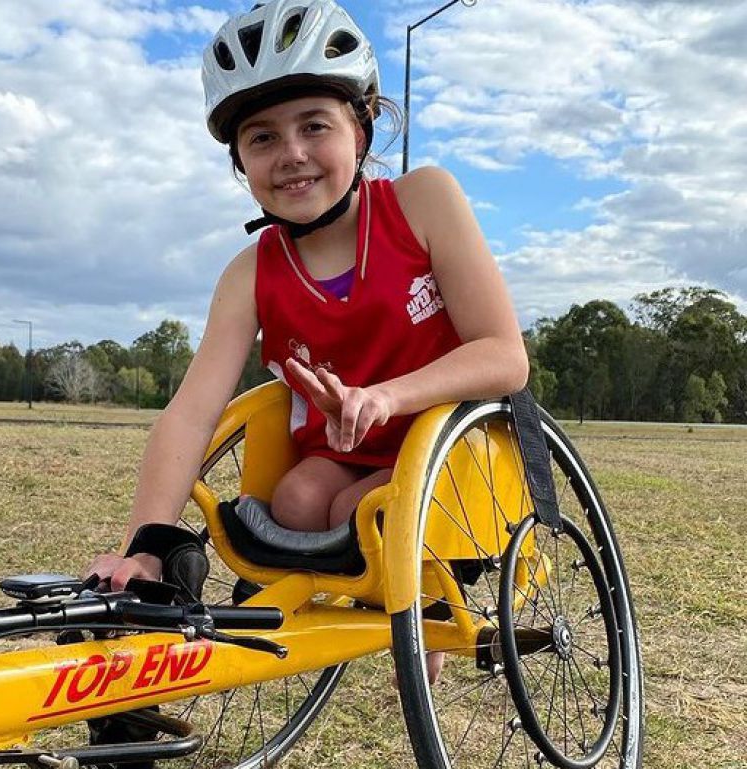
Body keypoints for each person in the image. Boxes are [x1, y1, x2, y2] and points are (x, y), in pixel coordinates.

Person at [86, 0, 528, 626]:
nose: (291, 153)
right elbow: (190, 414)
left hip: (448, 446)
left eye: (314, 126)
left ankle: (421, 617)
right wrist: (147, 543)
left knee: (366, 503)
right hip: (339, 452)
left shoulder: (424, 199)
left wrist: (383, 397)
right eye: (263, 137)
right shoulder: (249, 273)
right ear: (241, 162)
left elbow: (504, 356)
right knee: (296, 496)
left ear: (361, 132)